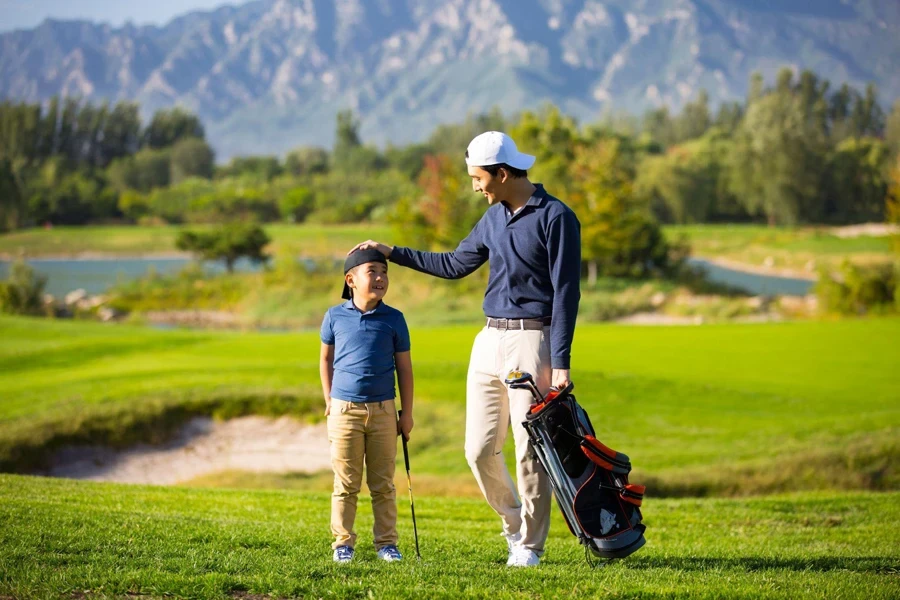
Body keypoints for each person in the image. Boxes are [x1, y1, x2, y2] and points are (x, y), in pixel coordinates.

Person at [350, 131, 581, 567]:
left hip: (533, 341)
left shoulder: (556, 217)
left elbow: (567, 293)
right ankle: (514, 528)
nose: (476, 187)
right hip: (488, 339)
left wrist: (562, 361)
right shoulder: (493, 217)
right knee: (477, 449)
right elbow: (456, 264)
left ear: (503, 173)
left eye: (479, 179)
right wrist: (391, 252)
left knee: (528, 448)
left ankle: (530, 546)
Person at [319, 247, 415, 563]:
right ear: (351, 279)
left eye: (385, 272)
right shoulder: (334, 316)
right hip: (344, 410)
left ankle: (387, 544)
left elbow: (405, 369)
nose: (380, 278)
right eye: (372, 271)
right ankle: (343, 544)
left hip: (385, 411)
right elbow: (325, 359)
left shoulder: (395, 319)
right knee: (346, 484)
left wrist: (408, 414)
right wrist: (329, 399)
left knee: (383, 485)